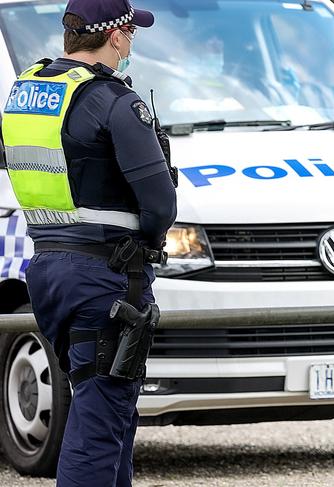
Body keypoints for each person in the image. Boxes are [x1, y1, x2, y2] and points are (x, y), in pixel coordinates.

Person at [1, 0, 177, 485]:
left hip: (49, 269)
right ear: (116, 35)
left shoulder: (30, 90)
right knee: (99, 422)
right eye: (130, 34)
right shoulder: (113, 100)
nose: (130, 44)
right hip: (106, 277)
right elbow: (160, 205)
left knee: (108, 409)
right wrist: (151, 241)